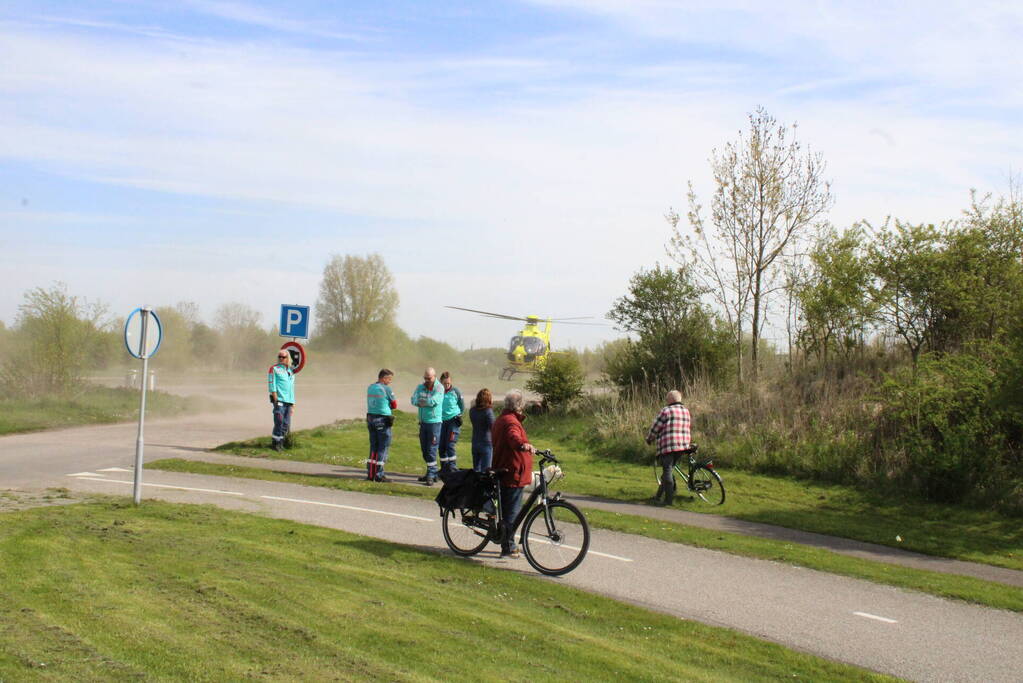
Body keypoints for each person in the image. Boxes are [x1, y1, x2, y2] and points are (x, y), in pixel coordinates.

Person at [491, 388, 535, 558]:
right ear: (518, 406)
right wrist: (523, 445)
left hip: (508, 469)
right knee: (512, 512)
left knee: (509, 510)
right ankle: (508, 546)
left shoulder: (503, 419)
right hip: (512, 473)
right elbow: (513, 437)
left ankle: (506, 542)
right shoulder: (510, 422)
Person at [645, 389, 692, 505]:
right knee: (668, 471)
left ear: (670, 399)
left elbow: (655, 427)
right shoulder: (686, 411)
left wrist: (649, 439)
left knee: (667, 471)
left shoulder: (666, 411)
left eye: (667, 398)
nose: (666, 401)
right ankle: (657, 496)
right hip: (683, 446)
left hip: (669, 446)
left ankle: (668, 500)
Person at [411, 367, 445, 485]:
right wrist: (421, 401)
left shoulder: (439, 387)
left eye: (429, 378)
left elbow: (434, 401)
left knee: (431, 449)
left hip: (434, 423)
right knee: (425, 450)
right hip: (423, 422)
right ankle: (432, 472)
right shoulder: (420, 387)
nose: (426, 380)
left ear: (434, 376)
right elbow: (413, 399)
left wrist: (423, 401)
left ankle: (431, 474)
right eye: (425, 378)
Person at [366, 368, 398, 482]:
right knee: (383, 447)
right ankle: (379, 475)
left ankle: (370, 474)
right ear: (383, 378)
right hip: (383, 420)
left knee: (373, 447)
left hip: (370, 418)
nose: (390, 381)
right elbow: (394, 405)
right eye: (389, 379)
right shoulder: (386, 389)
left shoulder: (370, 387)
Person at [267, 349, 296, 452]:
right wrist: (275, 398)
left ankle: (281, 442)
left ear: (288, 358)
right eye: (279, 356)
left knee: (286, 423)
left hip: (289, 401)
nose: (281, 359)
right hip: (279, 400)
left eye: (283, 357)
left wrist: (293, 404)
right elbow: (271, 384)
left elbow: (292, 388)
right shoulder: (274, 369)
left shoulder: (290, 371)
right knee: (278, 421)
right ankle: (275, 443)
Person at [438, 371, 464, 473]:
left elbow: (461, 405)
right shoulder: (438, 391)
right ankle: (444, 468)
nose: (447, 385)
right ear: (441, 382)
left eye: (448, 383)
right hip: (441, 421)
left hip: (453, 421)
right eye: (445, 383)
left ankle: (452, 468)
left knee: (450, 445)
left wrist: (459, 415)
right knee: (441, 446)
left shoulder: (455, 391)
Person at [469, 388, 495, 472]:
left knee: (476, 469)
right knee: (486, 471)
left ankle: (475, 485)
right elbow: (493, 427)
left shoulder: (472, 411)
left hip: (475, 442)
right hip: (486, 443)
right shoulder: (488, 411)